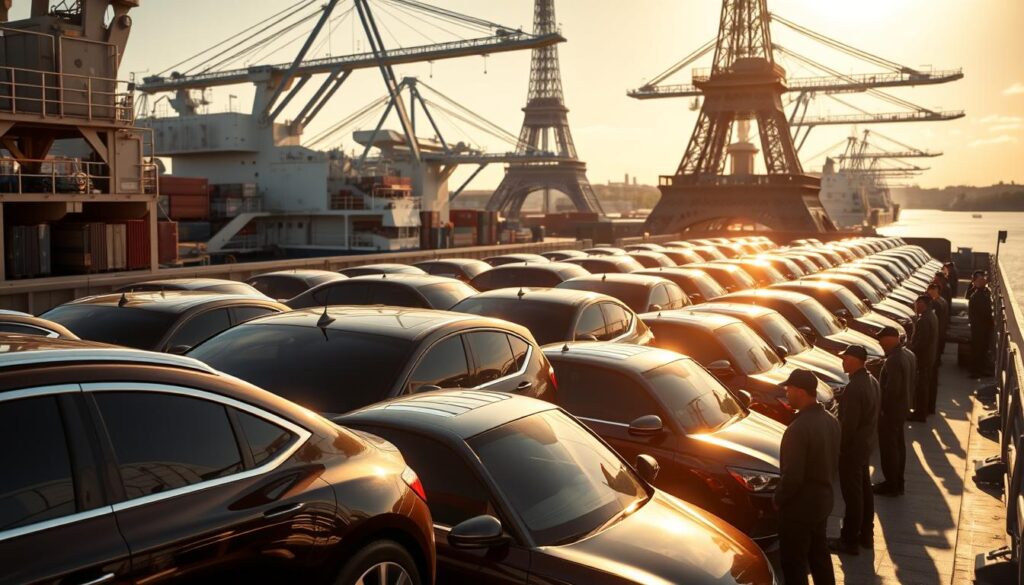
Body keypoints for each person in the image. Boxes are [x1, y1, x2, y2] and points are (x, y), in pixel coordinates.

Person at [775, 369, 840, 585]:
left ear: (800, 392)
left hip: (799, 508)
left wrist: (779, 500)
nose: (786, 393)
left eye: (789, 389)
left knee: (794, 564)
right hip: (822, 502)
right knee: (819, 556)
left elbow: (792, 477)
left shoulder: (798, 428)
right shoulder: (831, 420)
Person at [829, 345, 880, 556]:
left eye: (846, 358)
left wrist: (839, 448)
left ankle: (849, 540)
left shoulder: (855, 388)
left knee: (853, 496)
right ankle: (867, 535)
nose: (843, 361)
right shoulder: (872, 381)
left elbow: (848, 425)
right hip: (865, 445)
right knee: (865, 492)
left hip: (852, 450)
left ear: (858, 360)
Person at [873, 327, 916, 496]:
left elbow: (892, 389)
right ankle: (898, 482)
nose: (880, 344)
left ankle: (891, 484)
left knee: (889, 449)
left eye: (882, 340)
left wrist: (883, 410)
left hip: (891, 412)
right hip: (902, 410)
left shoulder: (893, 360)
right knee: (898, 446)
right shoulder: (908, 354)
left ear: (890, 339)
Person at [908, 295, 938, 422]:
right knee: (926, 385)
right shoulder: (932, 316)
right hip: (929, 357)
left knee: (921, 387)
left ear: (922, 304)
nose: (915, 306)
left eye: (916, 304)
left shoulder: (923, 320)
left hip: (923, 359)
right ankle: (926, 409)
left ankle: (920, 413)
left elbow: (921, 342)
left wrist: (910, 350)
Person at [968, 271, 994, 378]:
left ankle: (978, 370)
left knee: (980, 349)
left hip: (979, 327)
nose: (983, 281)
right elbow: (985, 312)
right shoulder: (978, 296)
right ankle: (976, 371)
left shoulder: (978, 295)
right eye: (980, 280)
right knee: (979, 349)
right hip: (980, 327)